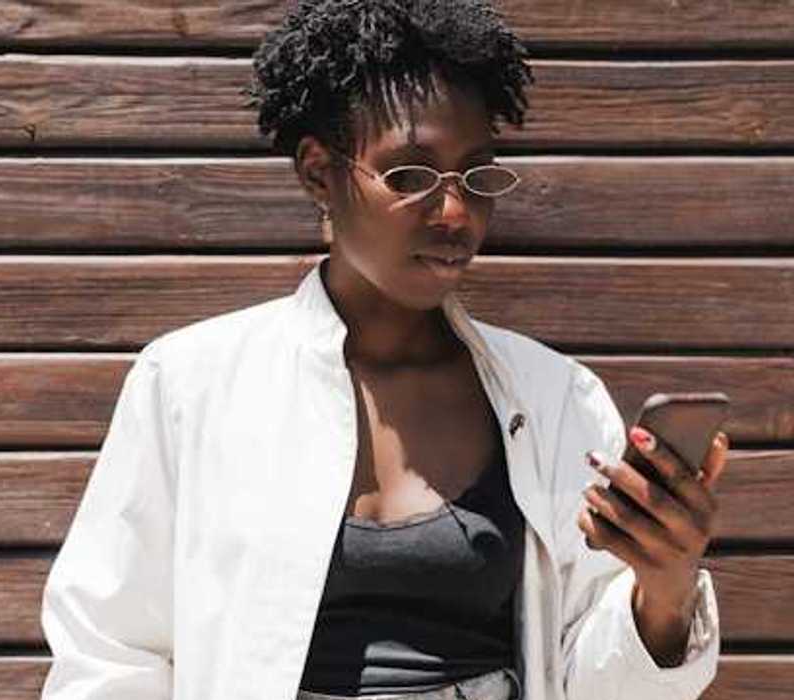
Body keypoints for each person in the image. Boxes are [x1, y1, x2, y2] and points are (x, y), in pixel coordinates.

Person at [39, 1, 729, 699]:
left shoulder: (552, 397)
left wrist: (663, 593)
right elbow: (110, 651)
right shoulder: (191, 382)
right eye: (409, 176)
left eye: (476, 176)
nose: (455, 213)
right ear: (318, 173)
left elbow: (594, 683)